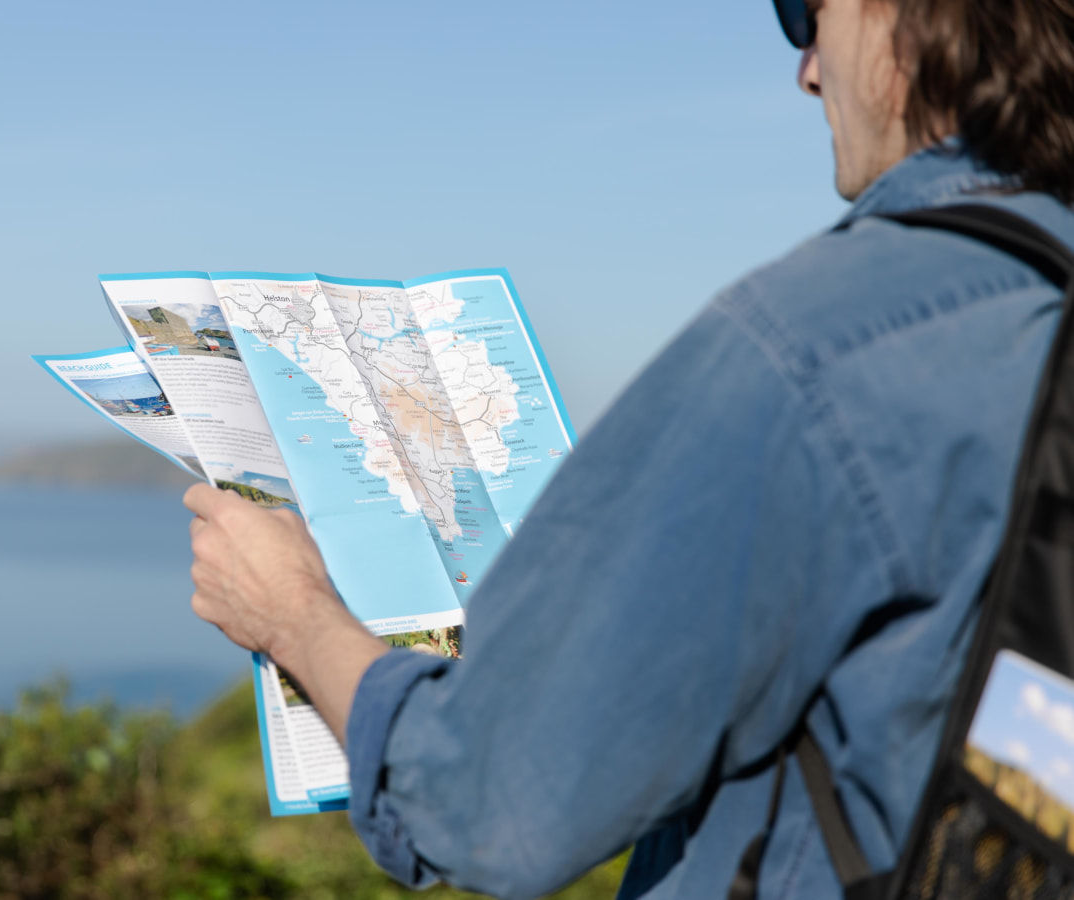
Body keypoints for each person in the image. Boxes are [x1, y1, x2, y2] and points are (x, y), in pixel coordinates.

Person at [184, 0, 1074, 896]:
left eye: (807, 13)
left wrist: (291, 613)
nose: (807, 68)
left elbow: (489, 802)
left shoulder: (816, 345)